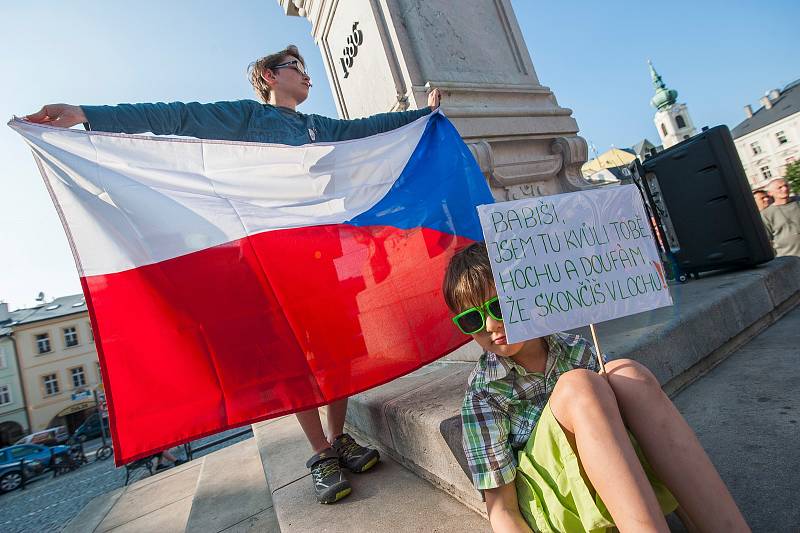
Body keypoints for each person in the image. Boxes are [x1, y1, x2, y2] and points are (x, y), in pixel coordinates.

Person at [26, 44, 442, 505]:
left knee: (337, 350)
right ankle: (321, 453)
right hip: (270, 256)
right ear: (268, 76)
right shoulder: (247, 118)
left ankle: (339, 436)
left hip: (318, 252)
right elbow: (177, 117)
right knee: (294, 358)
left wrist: (418, 117)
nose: (307, 77)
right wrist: (87, 113)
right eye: (296, 69)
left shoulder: (316, 126)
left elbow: (362, 132)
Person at [444, 243, 749, 532]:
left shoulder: (575, 349)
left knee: (628, 374)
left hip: (617, 477)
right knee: (579, 386)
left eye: (499, 306)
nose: (489, 325)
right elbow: (502, 509)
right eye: (471, 319)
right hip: (558, 509)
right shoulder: (484, 394)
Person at [760, 178, 800, 257]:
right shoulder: (766, 214)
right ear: (770, 193)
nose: (784, 189)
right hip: (789, 260)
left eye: (786, 186)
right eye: (779, 187)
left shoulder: (798, 201)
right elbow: (767, 240)